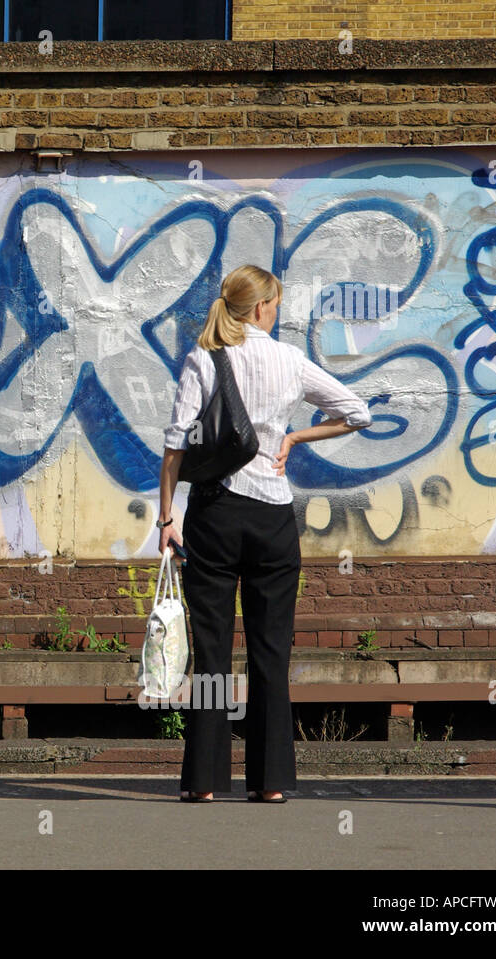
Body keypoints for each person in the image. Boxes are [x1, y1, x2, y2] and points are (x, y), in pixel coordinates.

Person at [158, 265, 372, 803]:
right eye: (274, 305)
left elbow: (175, 446)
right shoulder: (290, 361)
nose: (275, 313)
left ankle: (204, 783)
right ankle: (272, 783)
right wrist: (295, 436)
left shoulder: (203, 358)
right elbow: (357, 413)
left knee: (210, 651)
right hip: (274, 519)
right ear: (260, 309)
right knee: (270, 652)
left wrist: (166, 518)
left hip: (216, 513)